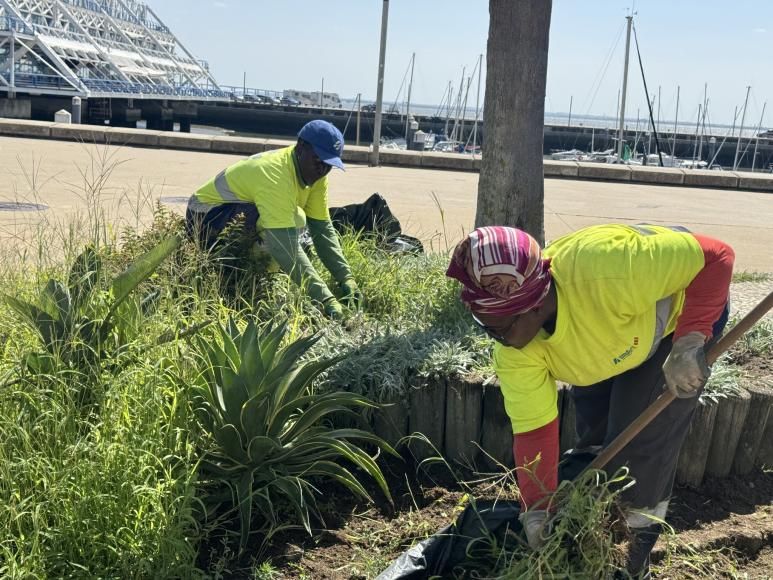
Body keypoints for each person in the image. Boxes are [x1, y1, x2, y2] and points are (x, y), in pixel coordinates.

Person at [446, 224, 734, 578]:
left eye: (498, 329)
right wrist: (538, 508)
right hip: (612, 340)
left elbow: (715, 257)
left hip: (677, 318)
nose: (496, 339)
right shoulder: (517, 353)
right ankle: (588, 540)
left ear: (532, 308)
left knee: (639, 456)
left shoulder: (608, 270)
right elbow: (535, 432)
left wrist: (691, 340)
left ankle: (629, 564)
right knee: (596, 445)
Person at [185, 120, 362, 318]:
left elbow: (322, 228)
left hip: (235, 212)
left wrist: (345, 277)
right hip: (205, 216)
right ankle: (251, 284)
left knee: (296, 220)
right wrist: (326, 299)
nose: (322, 170)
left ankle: (258, 276)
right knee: (294, 221)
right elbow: (283, 246)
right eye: (318, 161)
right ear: (301, 147)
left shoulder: (317, 175)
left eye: (329, 165)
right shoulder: (275, 173)